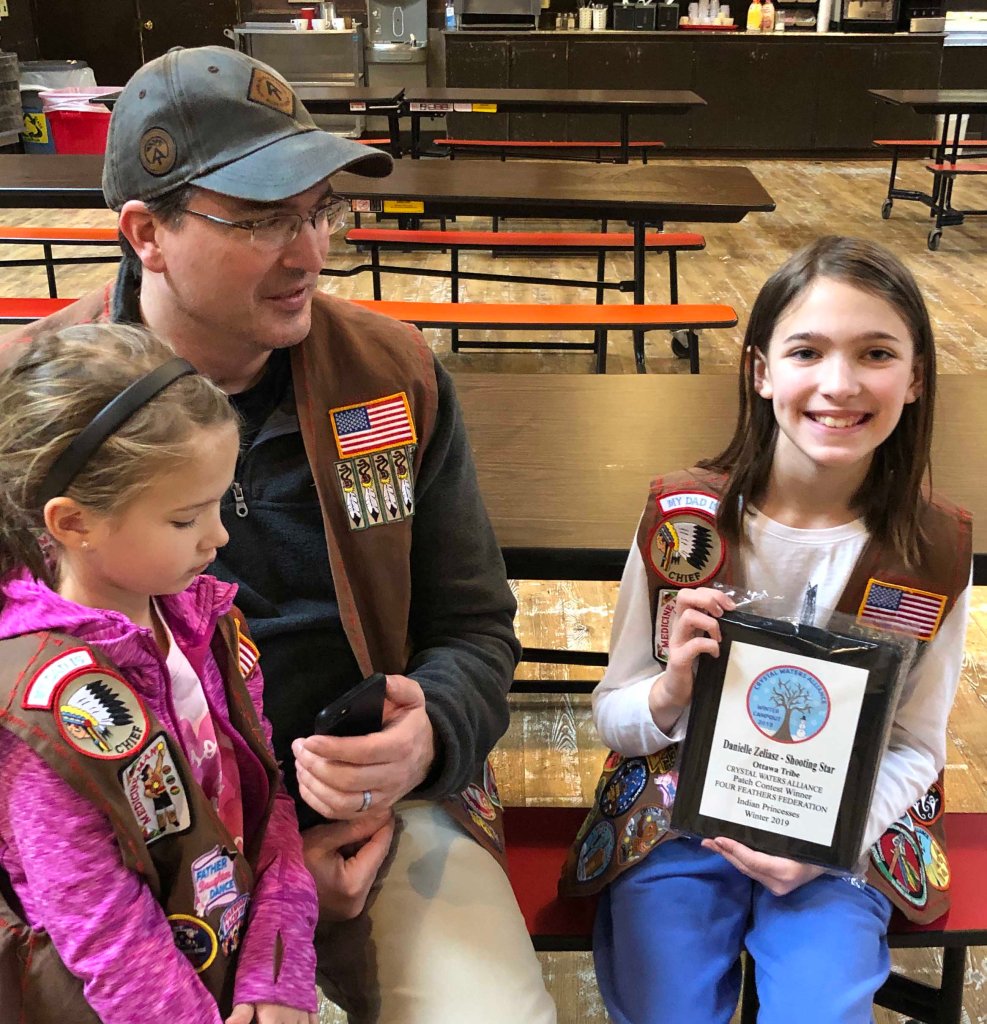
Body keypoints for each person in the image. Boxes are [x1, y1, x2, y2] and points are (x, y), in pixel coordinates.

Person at [5, 45, 554, 1024]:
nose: (310, 253)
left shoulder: (389, 375)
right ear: (147, 233)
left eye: (319, 210)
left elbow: (474, 626)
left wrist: (428, 733)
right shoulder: (35, 410)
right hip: (124, 861)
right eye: (262, 220)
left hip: (375, 824)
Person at [559, 236, 972, 1024]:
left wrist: (831, 842)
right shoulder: (683, 525)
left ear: (916, 376)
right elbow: (614, 713)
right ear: (759, 369)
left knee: (818, 1005)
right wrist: (670, 691)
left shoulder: (931, 551)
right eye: (806, 351)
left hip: (844, 823)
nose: (839, 384)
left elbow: (916, 747)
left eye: (876, 353)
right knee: (664, 999)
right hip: (679, 811)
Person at [0, 323, 319, 1024]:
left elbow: (263, 796)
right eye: (185, 519)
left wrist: (276, 963)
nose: (219, 537)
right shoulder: (37, 713)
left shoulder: (204, 619)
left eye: (219, 503)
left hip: (228, 956)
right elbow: (105, 932)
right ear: (73, 522)